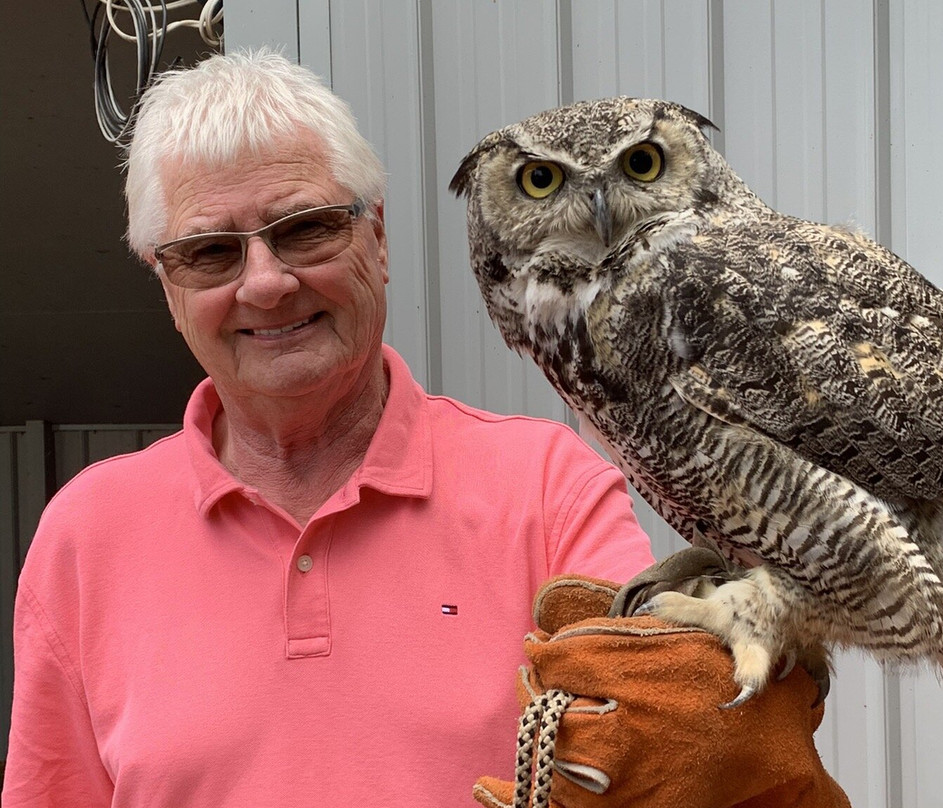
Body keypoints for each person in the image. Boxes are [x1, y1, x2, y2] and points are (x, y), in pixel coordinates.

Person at [4, 50, 843, 808]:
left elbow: (680, 741)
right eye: (211, 253)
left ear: (377, 235)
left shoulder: (546, 490)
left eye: (305, 229)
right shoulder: (85, 538)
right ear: (166, 284)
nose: (265, 283)